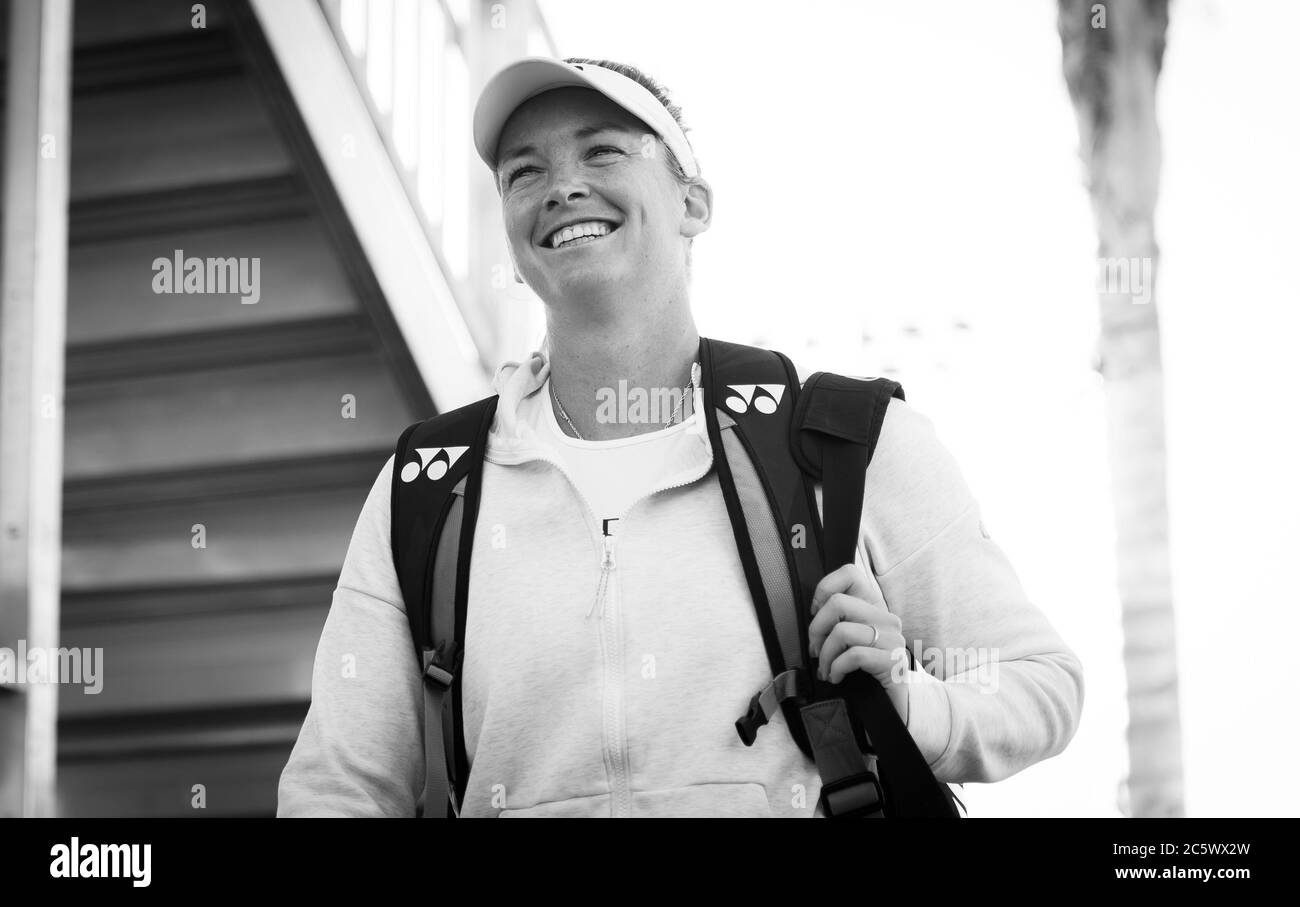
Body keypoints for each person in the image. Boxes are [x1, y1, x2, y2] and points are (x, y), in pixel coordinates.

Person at [277, 56, 1084, 817]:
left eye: (602, 152)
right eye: (525, 171)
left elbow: (1039, 684)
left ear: (692, 203)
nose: (562, 188)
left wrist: (910, 700)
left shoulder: (847, 448)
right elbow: (338, 789)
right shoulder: (429, 486)